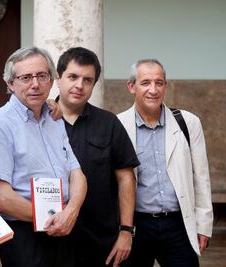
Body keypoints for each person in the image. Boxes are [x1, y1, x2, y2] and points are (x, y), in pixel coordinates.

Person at [0, 46, 87, 267]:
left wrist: (70, 212)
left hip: (64, 228)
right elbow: (2, 199)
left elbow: (77, 173)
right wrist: (53, 219)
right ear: (10, 84)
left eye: (42, 76)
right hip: (25, 235)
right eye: (26, 77)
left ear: (51, 80)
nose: (35, 84)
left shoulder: (55, 118)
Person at [117, 59, 213, 266]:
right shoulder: (118, 125)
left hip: (178, 225)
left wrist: (203, 225)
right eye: (145, 83)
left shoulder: (188, 122)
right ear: (131, 86)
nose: (153, 90)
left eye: (159, 83)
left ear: (165, 86)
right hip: (136, 225)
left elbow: (201, 177)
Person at [55, 47, 139, 267]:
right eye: (72, 76)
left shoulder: (109, 123)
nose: (79, 85)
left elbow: (126, 178)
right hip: (50, 241)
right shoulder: (40, 122)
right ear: (58, 78)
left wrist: (126, 231)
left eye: (87, 80)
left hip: (101, 243)